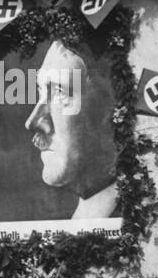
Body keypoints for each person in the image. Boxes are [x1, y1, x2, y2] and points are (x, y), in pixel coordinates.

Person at [24, 38, 118, 219]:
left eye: (60, 92)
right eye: (40, 90)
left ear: (108, 107)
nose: (33, 122)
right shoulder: (87, 212)